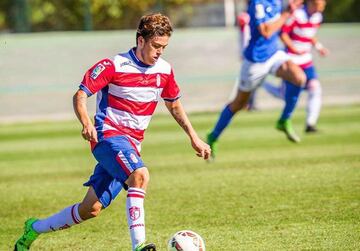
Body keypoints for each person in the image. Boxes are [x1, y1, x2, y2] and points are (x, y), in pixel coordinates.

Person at [14, 13, 211, 251]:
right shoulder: (113, 65)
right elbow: (81, 94)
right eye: (156, 46)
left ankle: (33, 229)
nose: (160, 52)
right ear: (140, 40)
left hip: (132, 145)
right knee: (140, 175)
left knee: (91, 209)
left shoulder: (165, 70)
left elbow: (174, 104)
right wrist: (86, 122)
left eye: (164, 47)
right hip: (108, 137)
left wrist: (194, 137)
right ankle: (139, 246)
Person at [207, 0, 306, 160]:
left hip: (274, 54)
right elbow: (266, 31)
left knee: (299, 78)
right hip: (255, 61)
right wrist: (287, 13)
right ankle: (213, 135)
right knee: (239, 104)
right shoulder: (257, 3)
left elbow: (277, 29)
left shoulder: (278, 2)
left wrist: (290, 43)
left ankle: (284, 119)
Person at [263, 0, 329, 132]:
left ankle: (310, 124)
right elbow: (283, 33)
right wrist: (293, 48)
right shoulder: (297, 14)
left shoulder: (318, 17)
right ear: (312, 3)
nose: (321, 9)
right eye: (319, 6)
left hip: (306, 60)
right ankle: (261, 83)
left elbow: (310, 35)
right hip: (292, 59)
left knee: (315, 87)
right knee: (285, 95)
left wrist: (319, 47)